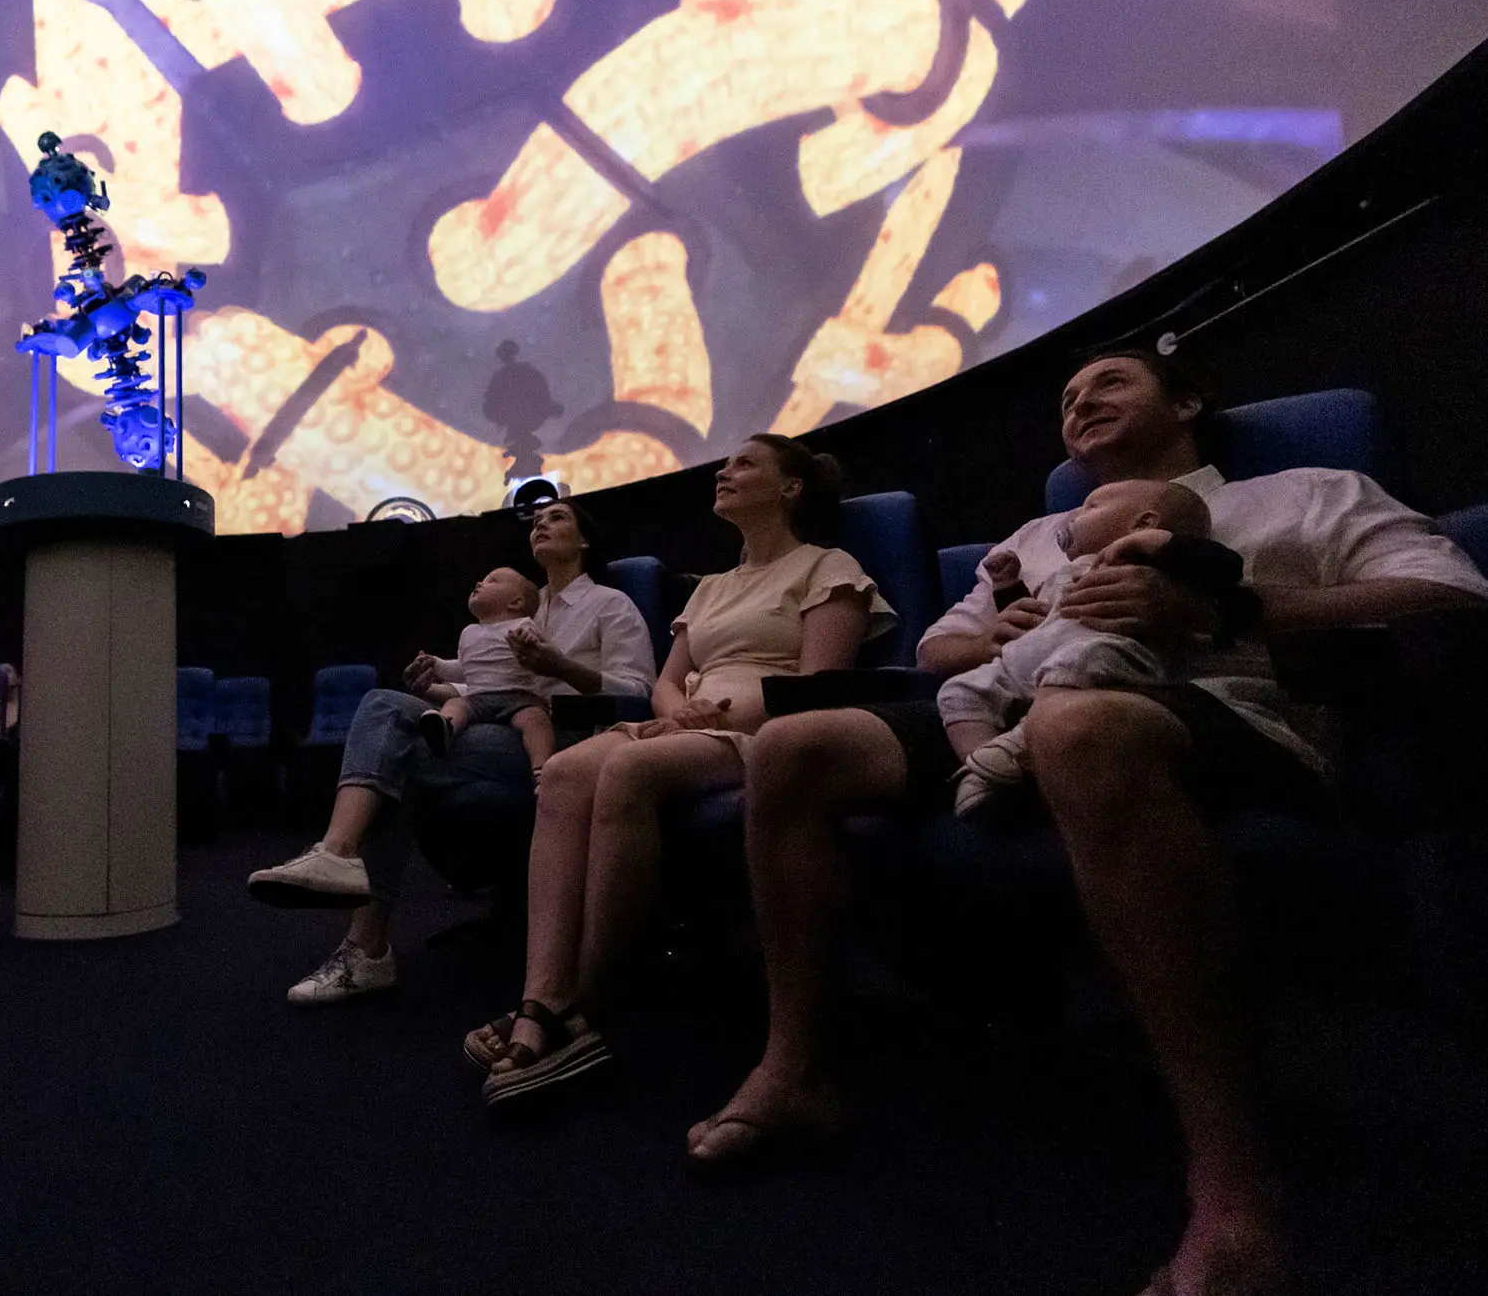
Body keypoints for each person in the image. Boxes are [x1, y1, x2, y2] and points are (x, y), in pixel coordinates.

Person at [700, 352, 1488, 1296]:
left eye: (1109, 383)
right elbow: (937, 646)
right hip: (1019, 702)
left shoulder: (1307, 491)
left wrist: (1221, 609)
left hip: (1234, 708)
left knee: (1078, 728)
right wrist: (996, 633)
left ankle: (1235, 1188)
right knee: (792, 749)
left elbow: (1449, 598)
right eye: (1068, 399)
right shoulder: (1041, 531)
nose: (1082, 402)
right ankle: (797, 1069)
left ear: (1188, 401)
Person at [466, 436, 895, 1107]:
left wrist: (710, 716)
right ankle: (540, 994)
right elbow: (666, 682)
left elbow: (817, 688)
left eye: (745, 463)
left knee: (631, 769)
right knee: (572, 770)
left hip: (765, 732)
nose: (724, 472)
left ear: (791, 489)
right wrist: (679, 712)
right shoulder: (711, 588)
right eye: (726, 464)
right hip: (686, 724)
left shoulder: (828, 567)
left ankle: (588, 1005)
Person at [246, 499, 657, 1005]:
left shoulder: (610, 605)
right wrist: (436, 683)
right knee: (387, 707)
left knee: (396, 746)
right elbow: (480, 687)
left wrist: (561, 665)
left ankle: (358, 929)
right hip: (499, 733)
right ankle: (341, 868)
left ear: (585, 541)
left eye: (558, 519)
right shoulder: (520, 611)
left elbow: (638, 692)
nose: (541, 525)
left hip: (570, 745)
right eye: (537, 520)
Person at [939, 478, 1238, 817]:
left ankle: (1019, 744)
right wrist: (1007, 587)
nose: (1073, 516)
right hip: (1028, 661)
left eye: (1090, 507)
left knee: (1079, 660)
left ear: (1144, 523)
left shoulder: (1151, 563)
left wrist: (1163, 546)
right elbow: (1040, 618)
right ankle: (983, 770)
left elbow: (1226, 571)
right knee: (957, 690)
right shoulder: (1067, 572)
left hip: (1105, 657)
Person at [415, 568, 555, 775]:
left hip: (519, 698)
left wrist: (530, 642)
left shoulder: (523, 625)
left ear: (515, 602)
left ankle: (542, 770)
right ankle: (444, 729)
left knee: (536, 720)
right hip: (477, 699)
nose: (479, 583)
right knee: (455, 704)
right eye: (482, 579)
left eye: (493, 581)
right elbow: (464, 669)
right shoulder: (469, 632)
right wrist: (435, 664)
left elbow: (539, 654)